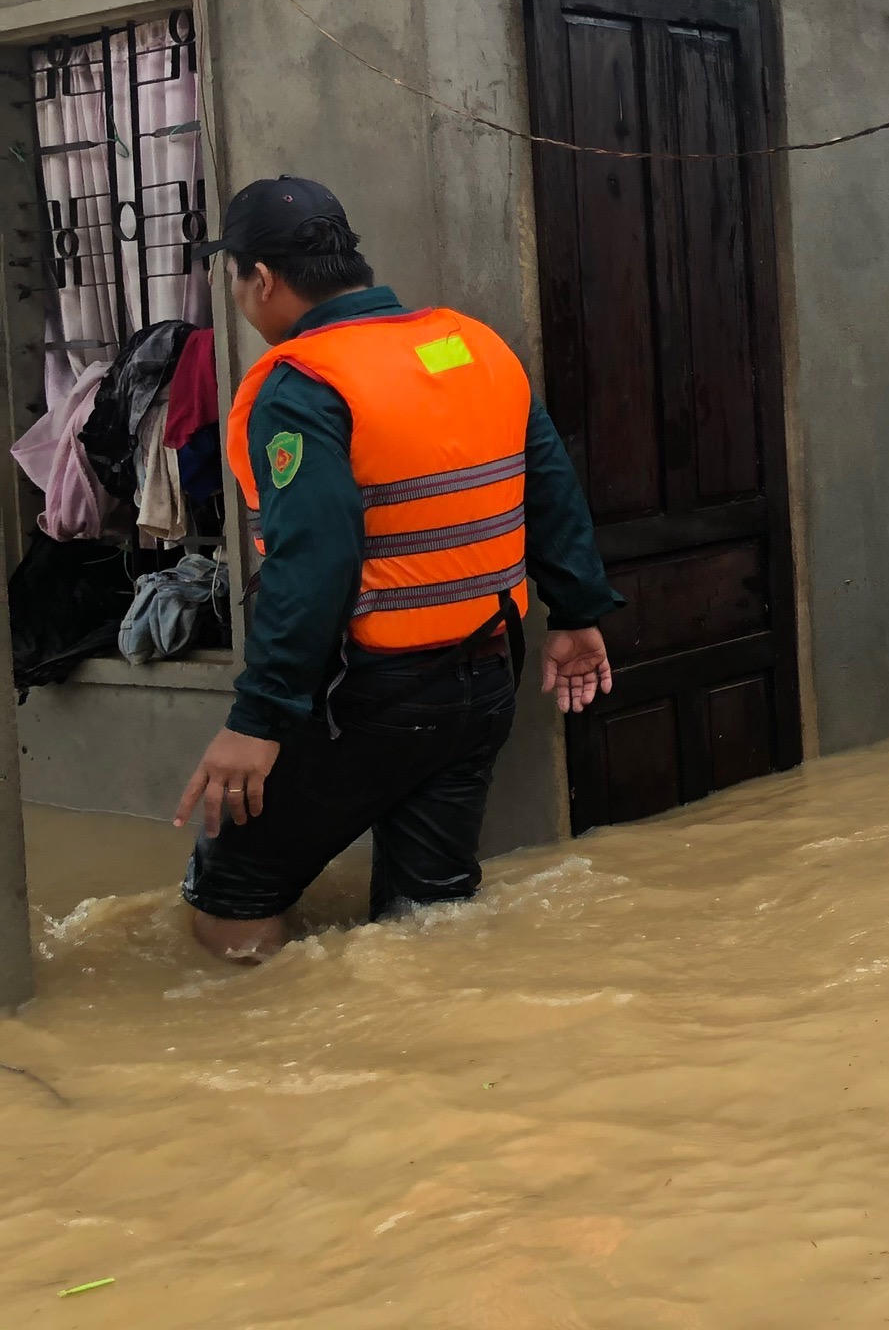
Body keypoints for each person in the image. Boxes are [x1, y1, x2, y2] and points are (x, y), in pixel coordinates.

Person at [172, 178, 624, 961]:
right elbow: (550, 488)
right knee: (431, 915)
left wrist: (259, 720)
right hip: (486, 678)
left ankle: (260, 1035)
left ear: (263, 278)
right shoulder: (471, 346)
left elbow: (315, 559)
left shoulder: (302, 384)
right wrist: (578, 614)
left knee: (232, 896)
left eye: (235, 279)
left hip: (369, 693)